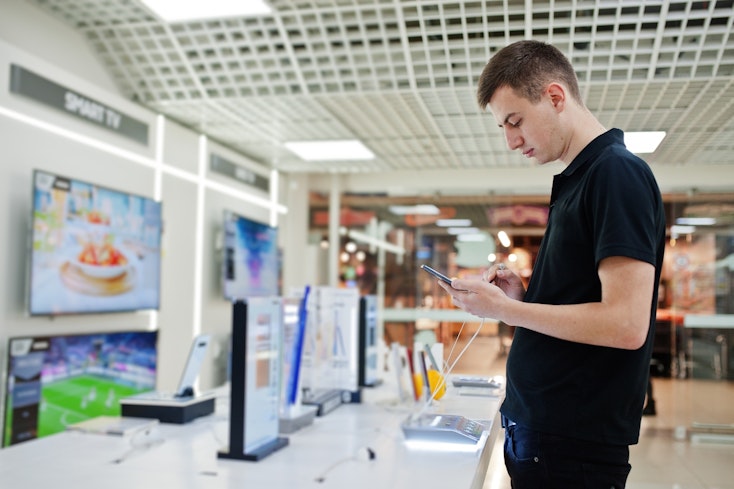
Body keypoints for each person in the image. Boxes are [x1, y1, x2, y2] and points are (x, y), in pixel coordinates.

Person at [437, 40, 666, 488]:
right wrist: (524, 297)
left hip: (571, 443)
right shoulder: (579, 180)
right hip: (548, 435)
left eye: (515, 121)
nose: (510, 141)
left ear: (555, 97)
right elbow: (583, 305)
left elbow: (625, 323)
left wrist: (503, 310)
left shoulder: (615, 174)